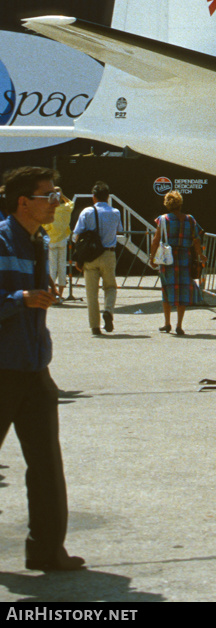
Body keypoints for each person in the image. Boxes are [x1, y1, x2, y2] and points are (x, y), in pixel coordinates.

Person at [0, 166, 83, 571]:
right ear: (23, 202)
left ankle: (47, 550)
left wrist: (40, 294)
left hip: (33, 369)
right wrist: (20, 298)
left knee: (47, 463)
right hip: (2, 370)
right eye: (49, 195)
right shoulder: (0, 239)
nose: (57, 202)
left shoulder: (38, 241)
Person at [150, 190, 205, 335]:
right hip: (184, 258)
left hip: (168, 259)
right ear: (180, 203)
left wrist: (152, 258)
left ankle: (167, 323)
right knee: (183, 290)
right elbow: (196, 239)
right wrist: (201, 255)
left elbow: (155, 240)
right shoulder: (190, 219)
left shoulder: (163, 220)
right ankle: (179, 324)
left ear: (167, 204)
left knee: (167, 289)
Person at [72, 182, 122, 336]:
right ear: (107, 197)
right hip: (108, 254)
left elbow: (76, 235)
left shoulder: (87, 211)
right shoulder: (115, 212)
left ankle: (95, 326)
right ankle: (108, 310)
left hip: (90, 257)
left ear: (93, 196)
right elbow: (119, 230)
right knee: (110, 287)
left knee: (91, 292)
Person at [41, 194, 73, 301]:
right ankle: (61, 293)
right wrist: (64, 196)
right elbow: (71, 203)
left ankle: (52, 293)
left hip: (51, 239)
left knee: (52, 267)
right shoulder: (65, 208)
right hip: (62, 239)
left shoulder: (49, 210)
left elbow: (44, 225)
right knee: (62, 266)